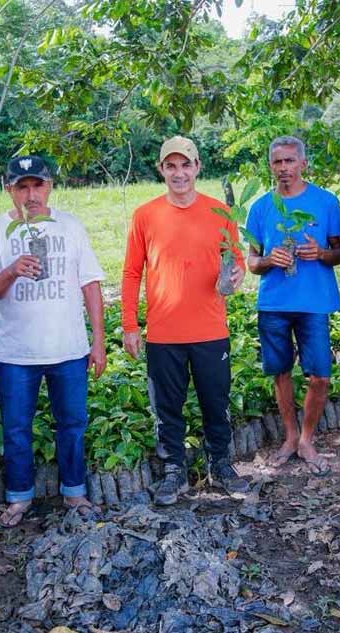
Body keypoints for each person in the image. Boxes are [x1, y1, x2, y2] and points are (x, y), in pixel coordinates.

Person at [121, 136, 249, 505]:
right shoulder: (145, 215)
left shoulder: (219, 213)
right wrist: (131, 325)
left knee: (215, 401)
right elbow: (132, 273)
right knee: (167, 407)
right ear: (161, 169)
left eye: (186, 165)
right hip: (164, 333)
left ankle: (221, 464)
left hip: (210, 329)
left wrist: (237, 274)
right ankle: (173, 470)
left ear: (197, 167)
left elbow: (235, 260)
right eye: (171, 166)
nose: (179, 173)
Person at [0, 155, 106, 526]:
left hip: (67, 348)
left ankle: (74, 492)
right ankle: (19, 498)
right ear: (8, 190)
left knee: (72, 423)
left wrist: (97, 341)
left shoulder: (69, 227)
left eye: (37, 185)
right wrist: (12, 269)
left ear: (49, 186)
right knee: (16, 427)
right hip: (16, 353)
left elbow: (90, 284)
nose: (31, 194)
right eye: (22, 186)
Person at [245, 136, 340, 475]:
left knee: (320, 375)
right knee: (280, 371)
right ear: (270, 166)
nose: (283, 168)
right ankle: (290, 436)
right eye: (277, 162)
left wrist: (321, 254)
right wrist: (270, 259)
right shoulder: (261, 207)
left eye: (289, 161)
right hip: (274, 302)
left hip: (314, 302)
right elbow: (251, 262)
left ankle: (307, 438)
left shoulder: (326, 202)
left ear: (303, 163)